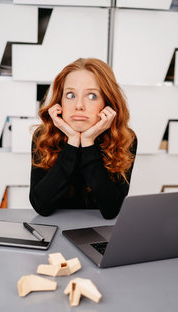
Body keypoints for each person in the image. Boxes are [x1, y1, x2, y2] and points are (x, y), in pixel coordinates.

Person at [29, 58, 137, 219]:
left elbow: (111, 210)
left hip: (98, 233)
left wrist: (88, 142)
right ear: (60, 102)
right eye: (70, 95)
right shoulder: (43, 136)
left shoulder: (125, 138)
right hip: (53, 229)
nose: (79, 105)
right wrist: (73, 141)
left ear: (107, 103)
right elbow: (41, 206)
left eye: (92, 96)